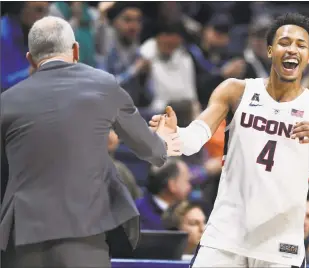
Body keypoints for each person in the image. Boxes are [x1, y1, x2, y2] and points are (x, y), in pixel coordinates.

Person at [149, 13, 309, 268]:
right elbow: (194, 138)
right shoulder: (236, 90)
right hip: (226, 234)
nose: (292, 49)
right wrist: (173, 136)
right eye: (284, 42)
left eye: (301, 45)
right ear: (270, 50)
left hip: (281, 242)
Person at [0, 16, 181, 268]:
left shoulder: (6, 101)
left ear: (30, 59)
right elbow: (151, 150)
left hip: (19, 239)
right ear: (75, 50)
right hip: (83, 233)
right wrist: (163, 139)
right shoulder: (104, 85)